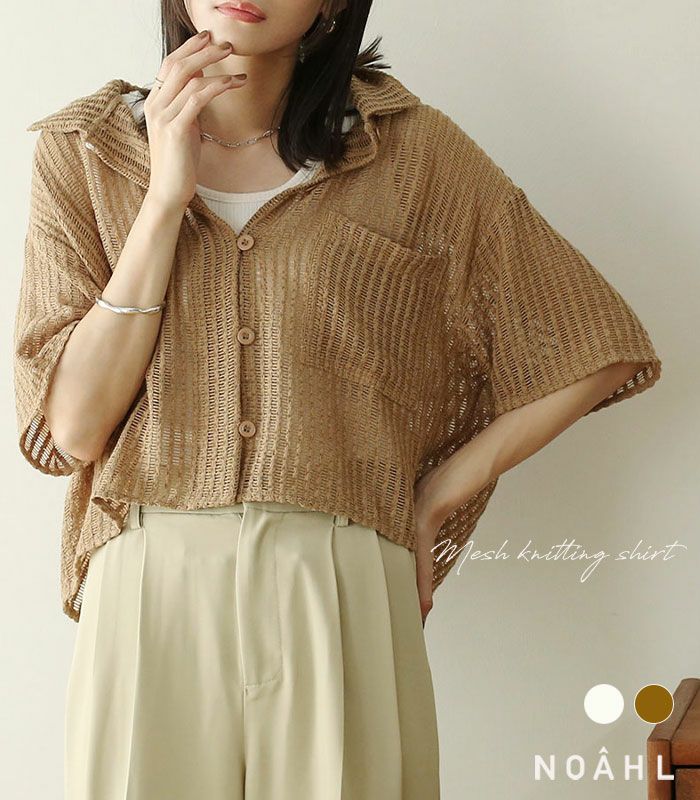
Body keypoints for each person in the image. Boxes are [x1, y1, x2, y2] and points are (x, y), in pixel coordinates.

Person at [13, 1, 662, 798]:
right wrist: (162, 199)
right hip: (150, 585)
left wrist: (434, 499)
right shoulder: (85, 150)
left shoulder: (411, 152)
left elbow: (595, 342)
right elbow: (75, 431)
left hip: (340, 578)